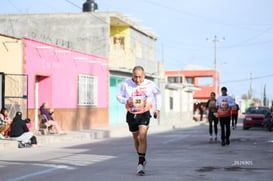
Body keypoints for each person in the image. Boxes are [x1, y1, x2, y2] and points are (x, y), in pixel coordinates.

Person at [116, 65, 161, 176]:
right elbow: (118, 96)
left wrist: (157, 109)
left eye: (140, 77)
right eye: (135, 77)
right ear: (132, 75)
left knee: (142, 135)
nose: (137, 80)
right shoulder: (126, 84)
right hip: (131, 114)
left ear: (144, 75)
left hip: (145, 113)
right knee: (136, 139)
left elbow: (158, 94)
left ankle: (140, 164)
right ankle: (142, 157)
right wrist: (126, 100)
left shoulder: (150, 84)